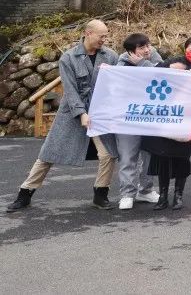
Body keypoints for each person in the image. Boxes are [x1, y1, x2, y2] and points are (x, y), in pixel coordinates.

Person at [6, 20, 119, 212]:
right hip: (72, 113)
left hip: (100, 113)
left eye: (106, 36)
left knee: (108, 154)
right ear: (88, 33)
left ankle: (101, 194)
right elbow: (70, 90)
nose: (104, 40)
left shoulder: (111, 56)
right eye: (101, 36)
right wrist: (81, 113)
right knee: (49, 153)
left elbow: (118, 83)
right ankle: (24, 194)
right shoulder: (69, 58)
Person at [144, 36, 191, 211]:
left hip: (188, 119)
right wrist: (170, 69)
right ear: (185, 49)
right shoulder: (174, 61)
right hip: (168, 116)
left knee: (182, 158)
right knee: (163, 157)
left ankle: (178, 195)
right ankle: (163, 196)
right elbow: (155, 72)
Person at [114, 33, 163, 210]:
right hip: (127, 118)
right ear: (130, 52)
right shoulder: (121, 65)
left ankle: (146, 190)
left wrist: (142, 63)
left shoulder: (153, 57)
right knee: (128, 157)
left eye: (148, 45)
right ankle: (127, 194)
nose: (147, 50)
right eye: (142, 48)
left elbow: (163, 74)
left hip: (150, 117)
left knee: (150, 156)